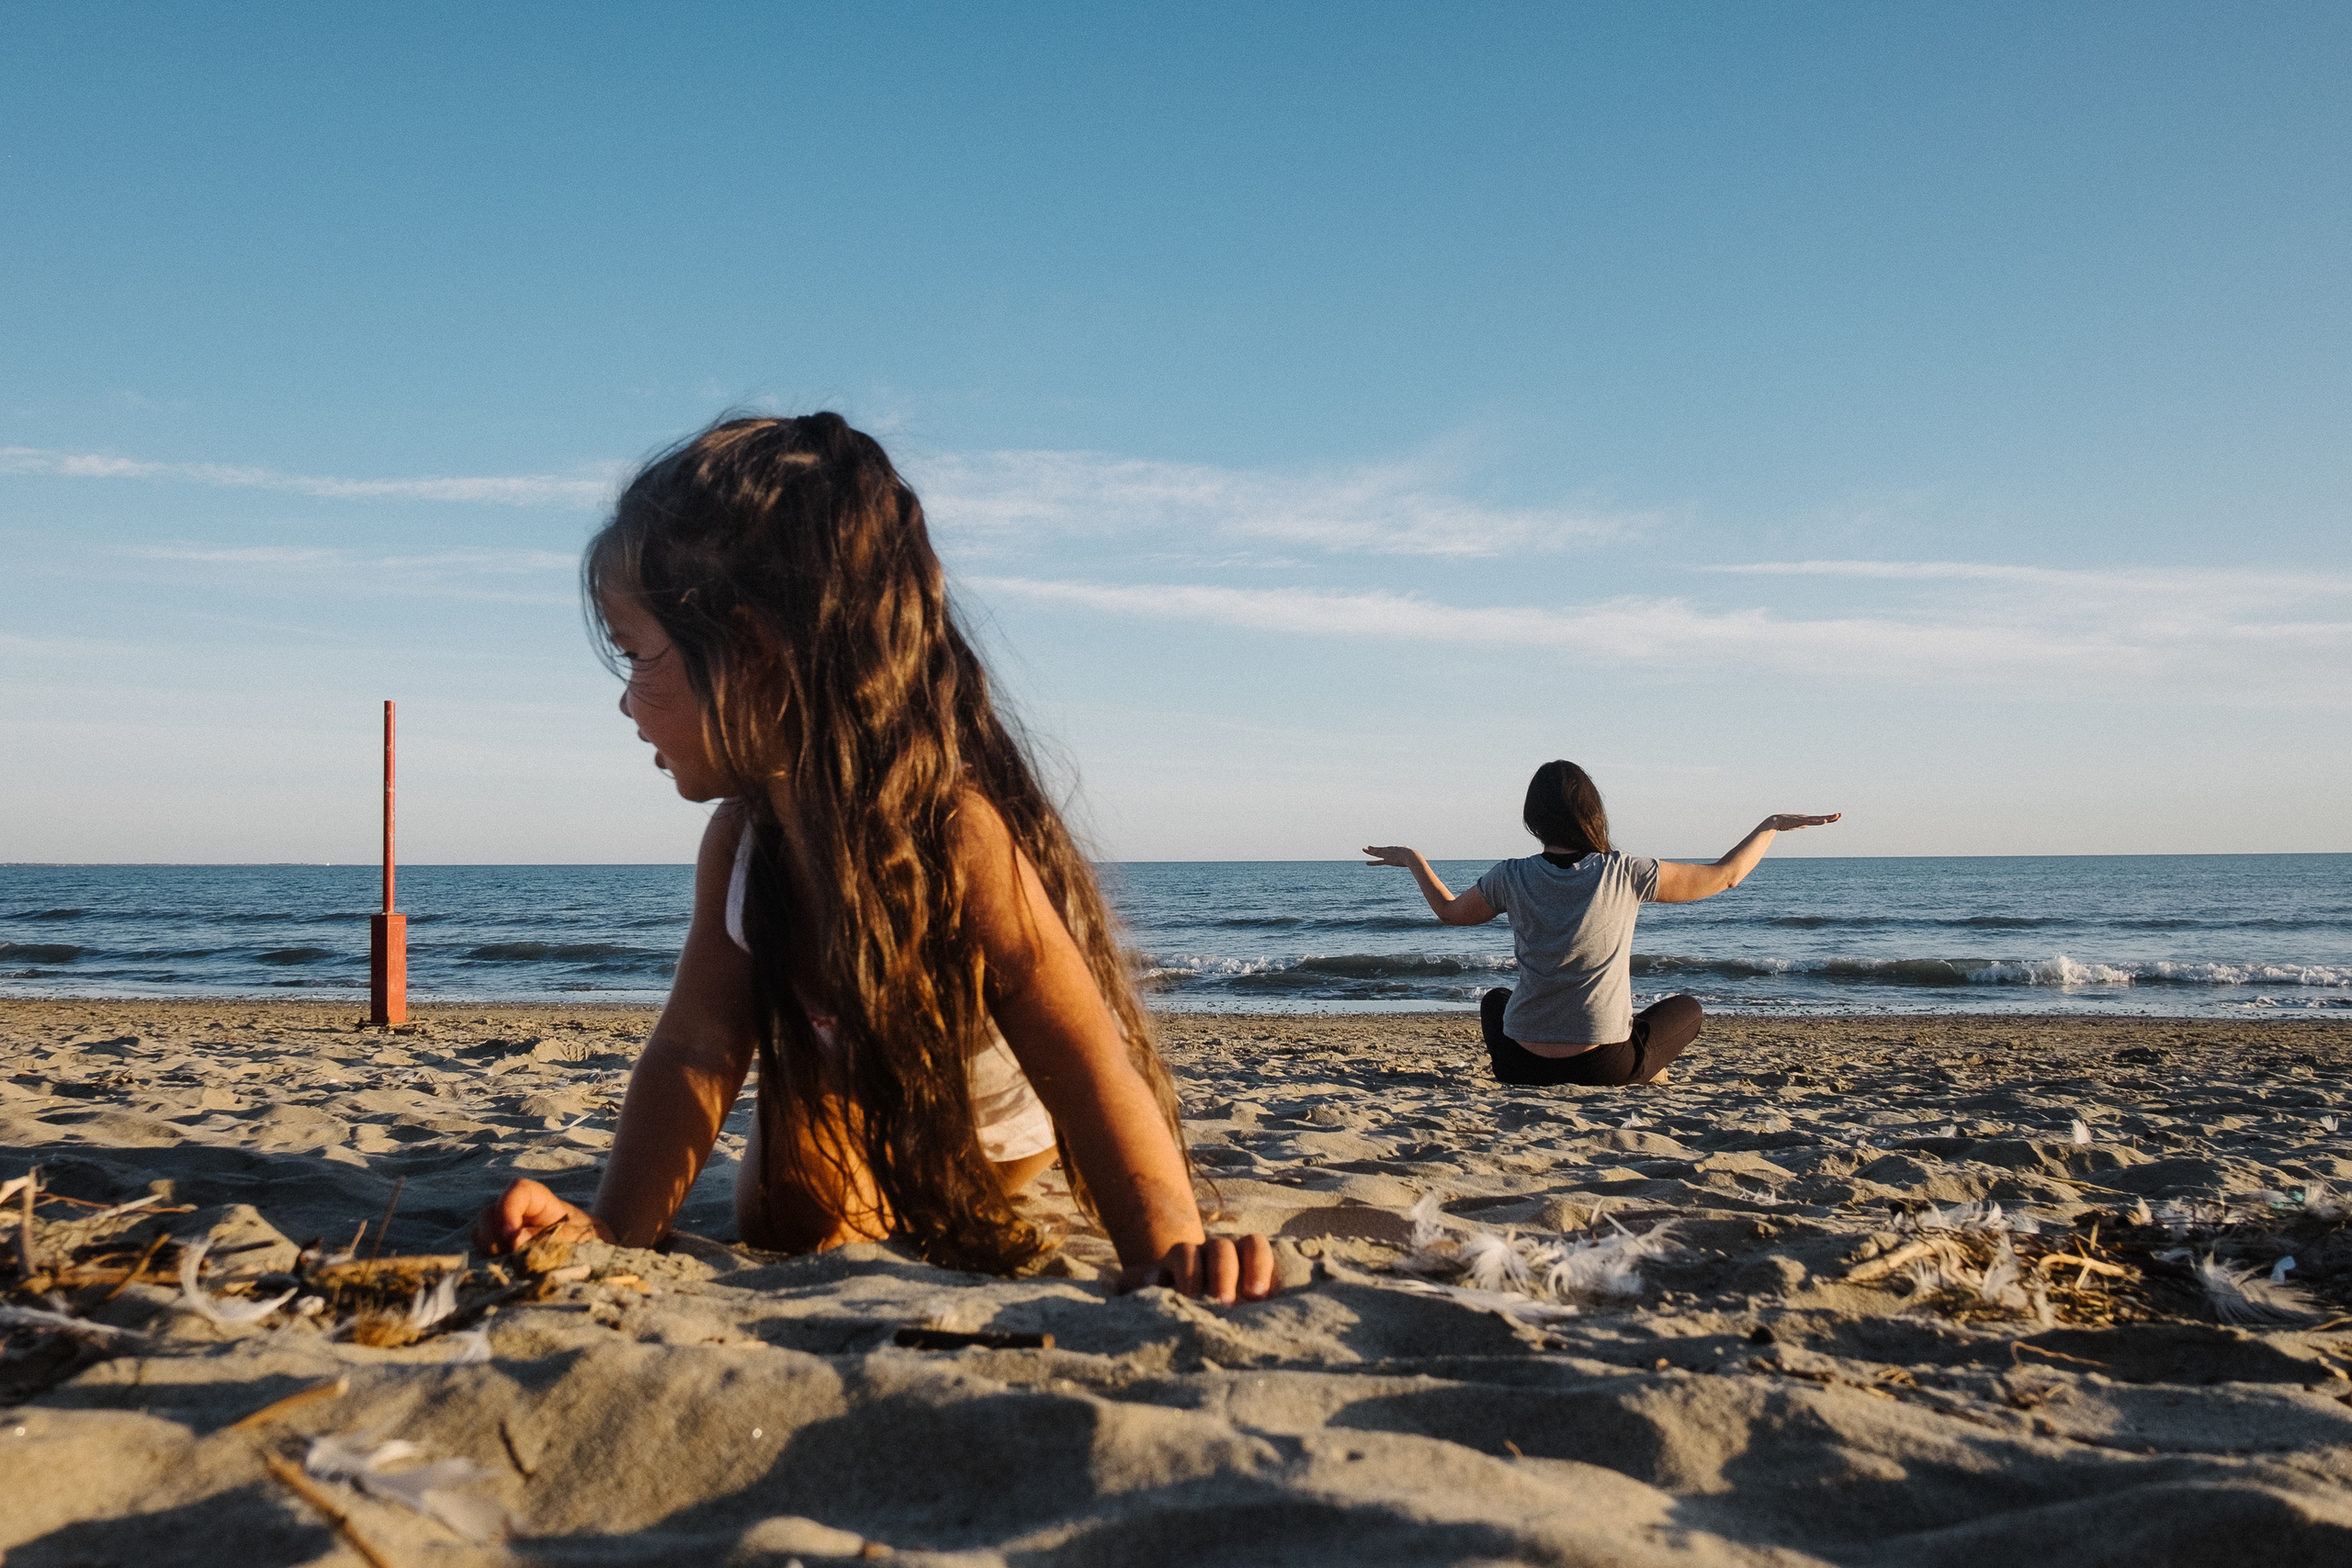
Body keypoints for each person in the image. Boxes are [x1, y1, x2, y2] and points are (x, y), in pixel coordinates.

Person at [473, 414, 1275, 1304]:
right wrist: (613, 1231)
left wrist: (1166, 1251)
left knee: (869, 1205)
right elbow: (697, 1048)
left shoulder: (953, 831)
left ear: (751, 655)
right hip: (844, 1094)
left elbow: (1083, 1056)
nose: (625, 703)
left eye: (636, 656)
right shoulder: (741, 843)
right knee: (785, 1224)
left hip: (998, 1127)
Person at [1364, 760, 1838, 1088]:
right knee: (1687, 1009)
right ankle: (1649, 1070)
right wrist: (1769, 826)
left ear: (1534, 819)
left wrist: (1413, 860)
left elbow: (1449, 913)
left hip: (1519, 1065)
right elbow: (1726, 876)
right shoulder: (1625, 871)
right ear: (1592, 812)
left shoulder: (1508, 876)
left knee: (1494, 1001)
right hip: (1603, 1067)